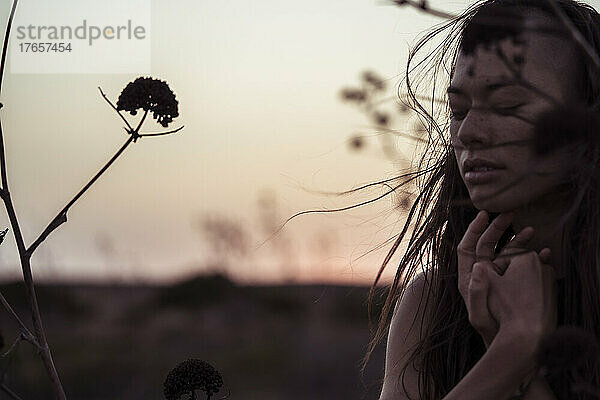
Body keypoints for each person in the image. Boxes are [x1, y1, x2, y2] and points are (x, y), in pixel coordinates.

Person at [361, 0, 600, 399]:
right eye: (458, 109)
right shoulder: (433, 303)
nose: (468, 132)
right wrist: (509, 352)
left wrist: (513, 349)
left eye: (507, 104)